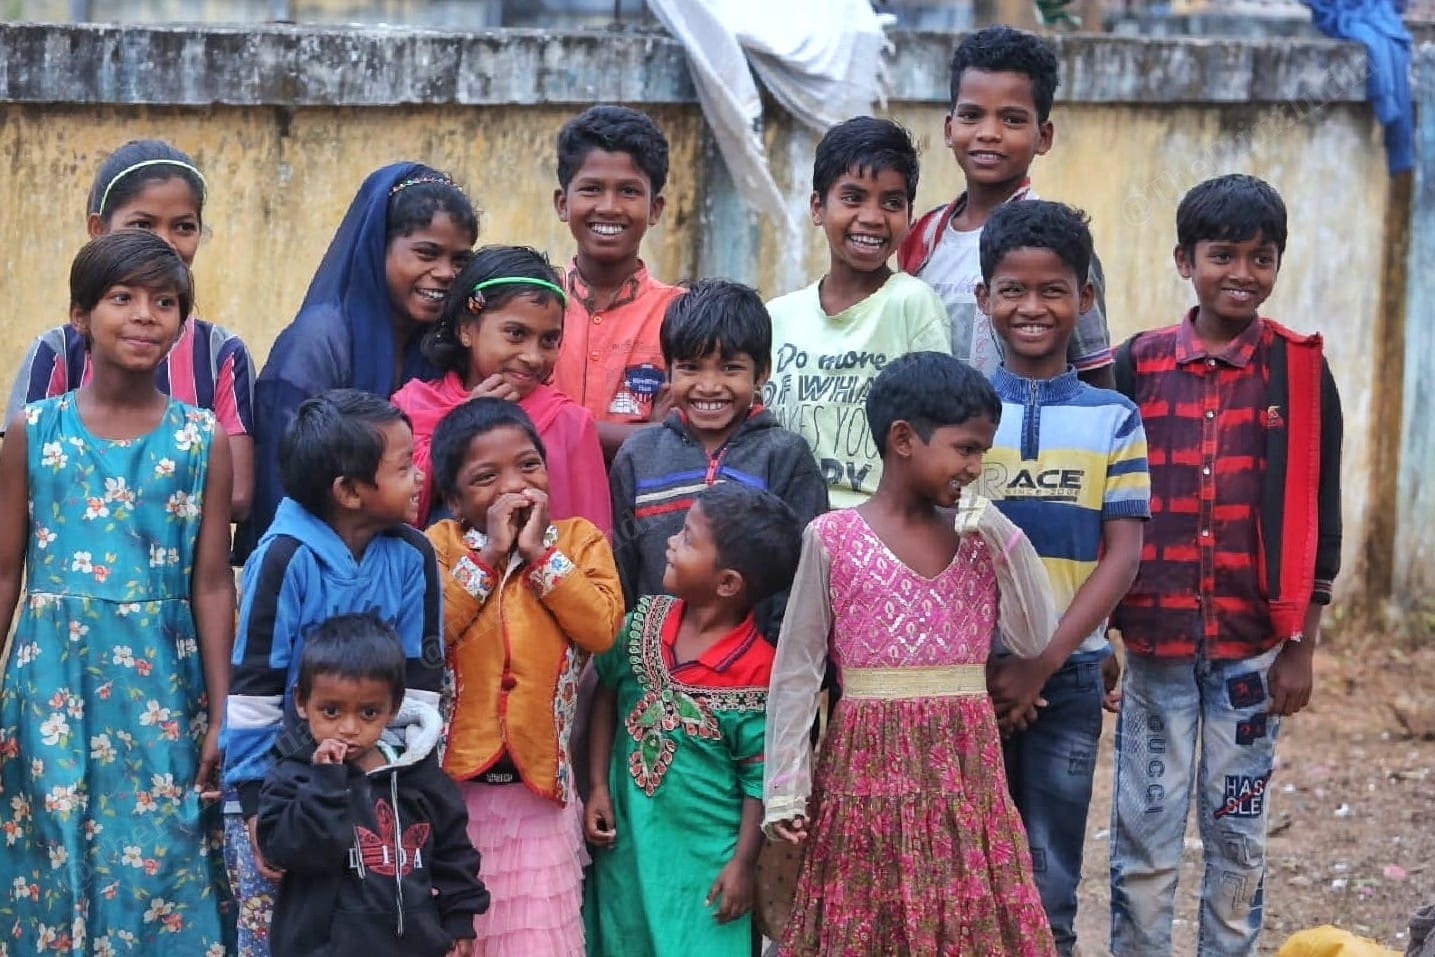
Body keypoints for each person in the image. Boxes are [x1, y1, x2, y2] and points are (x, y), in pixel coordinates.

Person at [1108, 174, 1343, 956]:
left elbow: (1321, 511)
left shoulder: (1299, 373)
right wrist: (1094, 635)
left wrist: (1302, 644)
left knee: (1236, 838)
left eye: (1260, 256)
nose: (1241, 272)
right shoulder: (1134, 367)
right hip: (1152, 647)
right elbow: (1102, 505)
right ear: (1183, 260)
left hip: (1250, 653)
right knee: (1144, 844)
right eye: (1222, 255)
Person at [763, 350, 1059, 955]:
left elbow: (1034, 637)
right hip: (863, 781)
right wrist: (786, 788)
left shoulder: (980, 538)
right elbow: (797, 671)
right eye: (966, 449)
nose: (976, 467)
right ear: (904, 439)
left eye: (982, 451)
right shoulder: (832, 538)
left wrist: (1001, 534)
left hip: (964, 779)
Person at [0, 230, 235, 951]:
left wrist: (223, 712)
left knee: (162, 852)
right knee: (51, 843)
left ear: (181, 322)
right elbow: (5, 569)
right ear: (80, 315)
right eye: (121, 298)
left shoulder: (203, 439)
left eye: (163, 302)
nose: (143, 315)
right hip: (49, 681)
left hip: (162, 688)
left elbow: (212, 583)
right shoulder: (32, 432)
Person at [971, 200, 1150, 956]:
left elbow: (1122, 554)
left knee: (1048, 887)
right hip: (969, 677)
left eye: (1053, 291)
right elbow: (942, 546)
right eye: (1012, 289)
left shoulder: (1114, 418)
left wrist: (1043, 660)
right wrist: (995, 666)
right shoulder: (960, 408)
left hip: (1069, 678)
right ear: (983, 299)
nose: (1032, 307)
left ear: (1085, 299)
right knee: (971, 879)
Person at [222, 389, 445, 957]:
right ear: (348, 491)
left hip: (379, 782)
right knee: (283, 931)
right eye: (403, 466)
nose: (421, 476)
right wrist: (253, 809)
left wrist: (396, 776)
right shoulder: (284, 558)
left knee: (368, 930)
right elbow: (256, 688)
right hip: (287, 786)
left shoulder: (412, 555)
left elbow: (420, 686)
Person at [425, 397, 624, 955]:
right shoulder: (439, 547)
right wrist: (489, 554)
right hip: (453, 792)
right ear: (453, 498)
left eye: (529, 465)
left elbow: (602, 628)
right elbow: (427, 634)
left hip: (539, 794)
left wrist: (539, 556)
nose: (515, 486)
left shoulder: (579, 541)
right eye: (487, 477)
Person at [584, 482, 803, 957]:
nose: (669, 543)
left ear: (727, 583)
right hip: (625, 843)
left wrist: (743, 865)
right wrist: (598, 785)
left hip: (708, 859)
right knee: (623, 936)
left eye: (686, 539)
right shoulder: (642, 623)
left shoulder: (759, 672)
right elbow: (606, 692)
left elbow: (757, 780)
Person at [4, 138, 257, 519]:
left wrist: (94, 490)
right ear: (97, 228)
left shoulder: (221, 353)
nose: (165, 243)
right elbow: (17, 485)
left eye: (184, 227)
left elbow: (236, 494)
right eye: (141, 224)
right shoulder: (56, 352)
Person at [246, 163, 478, 552]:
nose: (445, 273)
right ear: (377, 247)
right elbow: (282, 482)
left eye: (460, 261)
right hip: (315, 565)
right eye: (426, 253)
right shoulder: (318, 343)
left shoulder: (444, 346)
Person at [257, 613, 489, 957]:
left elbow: (453, 852)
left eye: (368, 713)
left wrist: (459, 919)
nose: (348, 728)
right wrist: (324, 785)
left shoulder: (419, 776)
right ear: (302, 702)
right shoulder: (293, 774)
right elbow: (284, 852)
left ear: (392, 708)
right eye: (331, 711)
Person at [608, 278, 829, 637]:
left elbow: (801, 578)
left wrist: (774, 661)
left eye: (730, 368)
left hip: (753, 669)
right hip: (651, 662)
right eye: (691, 368)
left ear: (762, 372)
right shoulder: (639, 455)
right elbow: (622, 568)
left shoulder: (786, 456)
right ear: (668, 370)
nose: (709, 386)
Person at [897, 26, 1115, 388]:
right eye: (972, 115)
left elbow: (1094, 373)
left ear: (1042, 137)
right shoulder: (922, 235)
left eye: (1012, 119)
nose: (989, 133)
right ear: (949, 130)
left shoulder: (1057, 239)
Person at [764, 116, 951, 509]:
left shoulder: (911, 304)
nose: (872, 217)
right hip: (782, 528)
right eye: (853, 197)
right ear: (818, 206)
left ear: (910, 215)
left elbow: (940, 432)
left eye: (892, 202)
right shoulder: (777, 317)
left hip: (880, 532)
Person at [392, 244, 609, 531]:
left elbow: (594, 541)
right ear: (466, 329)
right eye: (515, 334)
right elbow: (396, 514)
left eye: (548, 340)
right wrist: (461, 424)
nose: (533, 357)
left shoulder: (569, 422)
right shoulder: (414, 406)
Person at [549, 104, 683, 459]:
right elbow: (515, 423)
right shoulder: (531, 303)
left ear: (655, 209)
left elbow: (683, 436)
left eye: (628, 191)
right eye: (591, 189)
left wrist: (552, 424)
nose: (609, 206)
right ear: (563, 204)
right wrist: (645, 433)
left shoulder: (683, 314)